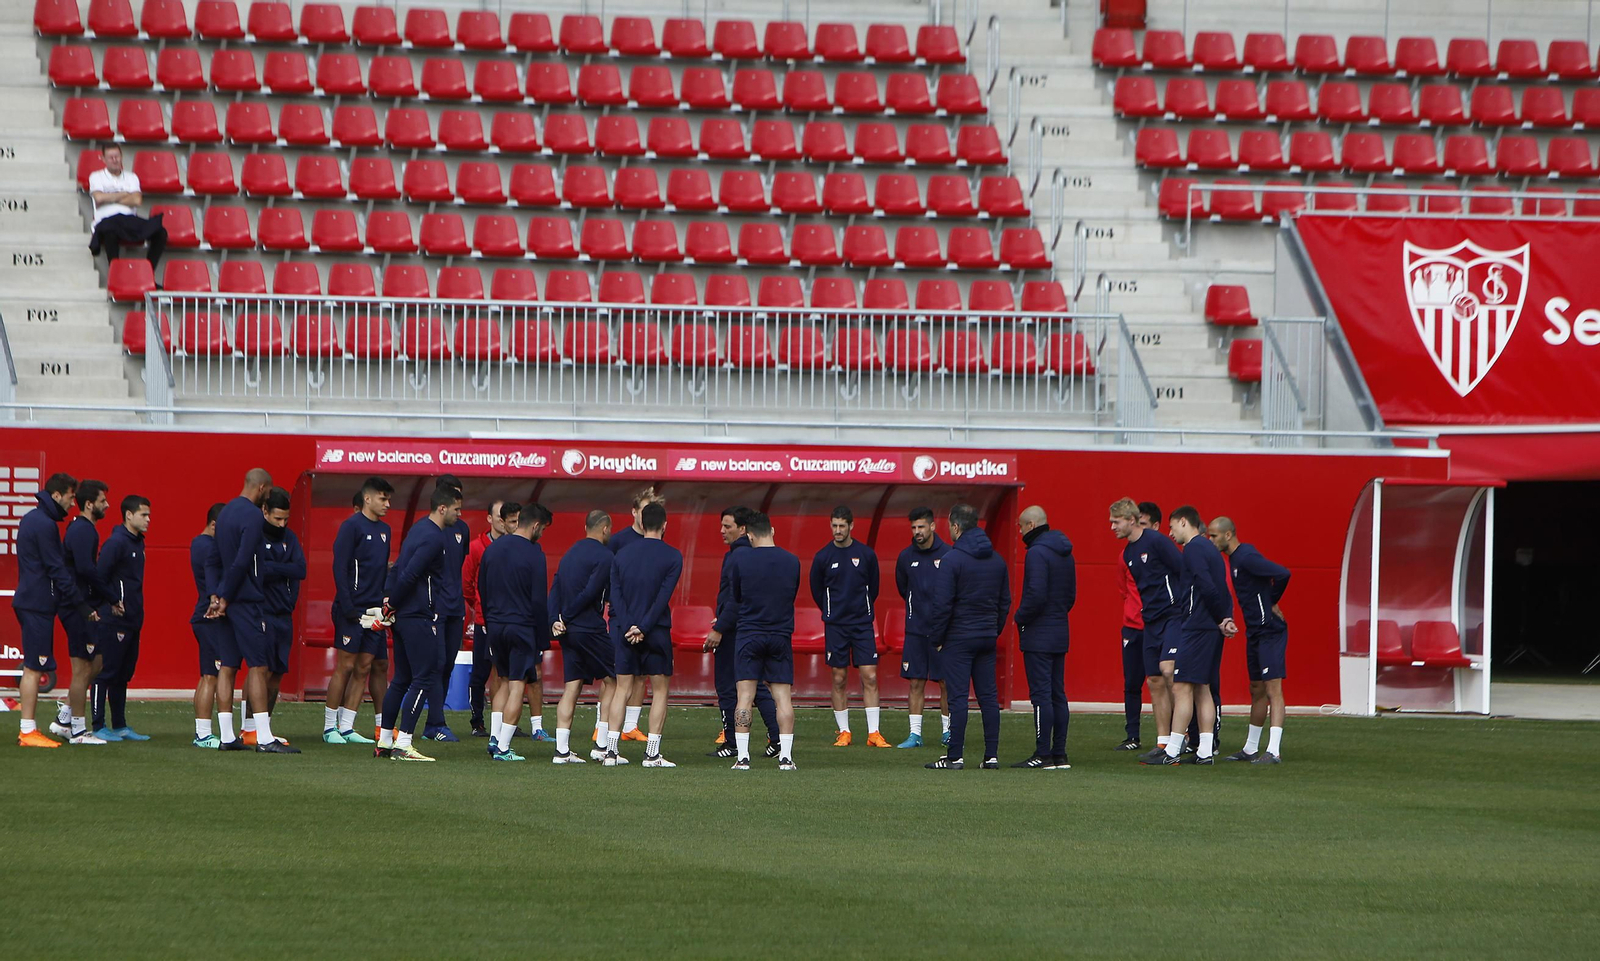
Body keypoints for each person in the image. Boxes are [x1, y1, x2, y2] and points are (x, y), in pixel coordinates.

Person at [211, 468, 297, 753]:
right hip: (245, 600)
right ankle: (263, 737)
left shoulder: (224, 514)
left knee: (228, 667)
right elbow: (243, 561)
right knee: (258, 667)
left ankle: (225, 736)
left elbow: (215, 559)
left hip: (227, 598)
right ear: (261, 488)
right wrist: (226, 596)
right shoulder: (251, 515)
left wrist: (217, 594)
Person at [376, 485, 461, 762]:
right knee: (425, 676)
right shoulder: (435, 538)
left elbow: (398, 567)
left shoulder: (417, 529)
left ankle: (385, 741)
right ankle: (404, 742)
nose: (459, 516)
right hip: (416, 616)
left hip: (402, 615)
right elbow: (410, 573)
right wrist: (393, 603)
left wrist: (389, 600)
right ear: (443, 508)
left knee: (401, 678)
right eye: (457, 510)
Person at [1147, 506, 1237, 765]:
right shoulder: (1211, 550)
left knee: (1182, 686)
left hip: (1197, 626)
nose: (1170, 532)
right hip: (1208, 627)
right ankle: (1205, 752)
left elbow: (1207, 586)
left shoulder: (1195, 548)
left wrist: (1221, 618)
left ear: (1184, 522)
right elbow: (1221, 587)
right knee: (1202, 688)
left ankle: (1172, 750)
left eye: (1172, 526)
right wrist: (1224, 618)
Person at [923, 504, 1009, 771]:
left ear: (956, 527)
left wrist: (937, 638)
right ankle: (991, 756)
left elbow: (943, 604)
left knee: (958, 698)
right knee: (988, 698)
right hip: (986, 636)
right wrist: (993, 630)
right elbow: (1004, 602)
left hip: (959, 638)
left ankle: (954, 756)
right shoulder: (997, 560)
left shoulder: (952, 559)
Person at [602, 502, 682, 768]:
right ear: (664, 525)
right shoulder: (673, 556)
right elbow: (662, 598)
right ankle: (652, 754)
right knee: (660, 691)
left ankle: (610, 751)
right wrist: (644, 627)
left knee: (621, 689)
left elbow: (616, 596)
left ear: (641, 522)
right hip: (656, 631)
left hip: (624, 631)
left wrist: (628, 626)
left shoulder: (620, 555)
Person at [719, 512, 799, 771]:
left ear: (749, 534)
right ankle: (785, 758)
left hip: (749, 634)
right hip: (780, 635)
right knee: (782, 698)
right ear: (772, 531)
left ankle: (742, 758)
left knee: (744, 696)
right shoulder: (792, 561)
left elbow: (737, 596)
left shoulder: (740, 560)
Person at [1208, 517, 1291, 765]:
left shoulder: (1246, 557)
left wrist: (1271, 601)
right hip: (1254, 631)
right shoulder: (1234, 559)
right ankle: (1250, 748)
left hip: (1270, 631)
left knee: (1273, 689)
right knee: (1256, 689)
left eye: (1214, 536)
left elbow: (1283, 573)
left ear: (1228, 534)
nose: (1211, 541)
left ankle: (1274, 751)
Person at [13, 473, 88, 748]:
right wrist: (79, 603)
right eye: (70, 496)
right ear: (57, 495)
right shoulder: (44, 524)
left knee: (35, 666)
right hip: (37, 604)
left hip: (34, 601)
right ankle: (27, 731)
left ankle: (28, 729)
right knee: (34, 668)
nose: (72, 502)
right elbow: (55, 568)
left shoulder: (35, 519)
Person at [809, 506, 890, 748]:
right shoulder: (823, 556)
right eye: (834, 525)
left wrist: (862, 607)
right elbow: (816, 589)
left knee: (870, 676)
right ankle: (844, 731)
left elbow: (873, 587)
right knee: (839, 677)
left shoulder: (865, 554)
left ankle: (873, 733)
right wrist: (831, 610)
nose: (838, 530)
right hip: (836, 625)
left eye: (842, 526)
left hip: (862, 624)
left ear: (851, 526)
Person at [1111, 497, 1184, 763]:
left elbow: (1182, 570)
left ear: (1131, 520)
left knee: (1169, 671)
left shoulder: (1157, 542)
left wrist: (1183, 605)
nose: (1112, 527)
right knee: (1153, 680)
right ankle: (1163, 742)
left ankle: (1182, 737)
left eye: (1116, 522)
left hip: (1172, 616)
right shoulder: (1128, 553)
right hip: (1149, 620)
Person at [703, 506, 780, 759]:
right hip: (752, 627)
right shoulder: (754, 555)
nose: (722, 531)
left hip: (734, 631)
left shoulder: (737, 556)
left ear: (743, 529)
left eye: (728, 526)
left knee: (727, 686)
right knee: (755, 686)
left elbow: (735, 599)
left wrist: (719, 627)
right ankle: (777, 736)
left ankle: (732, 742)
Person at [479, 503, 553, 761]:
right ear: (535, 525)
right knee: (518, 685)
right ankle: (503, 747)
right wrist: (543, 640)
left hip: (496, 625)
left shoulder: (493, 549)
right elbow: (538, 600)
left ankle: (494, 737)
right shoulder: (535, 553)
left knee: (503, 680)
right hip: (522, 626)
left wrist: (490, 620)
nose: (541, 534)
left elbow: (482, 587)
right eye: (542, 529)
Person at [324, 477, 393, 745]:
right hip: (351, 609)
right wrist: (348, 605)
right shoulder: (350, 527)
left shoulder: (385, 530)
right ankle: (330, 728)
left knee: (365, 666)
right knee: (346, 665)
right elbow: (339, 568)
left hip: (375, 610)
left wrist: (384, 604)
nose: (387, 504)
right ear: (367, 498)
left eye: (388, 499)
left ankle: (347, 727)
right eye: (383, 498)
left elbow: (381, 569)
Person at [547, 509, 616, 765]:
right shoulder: (605, 556)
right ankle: (602, 745)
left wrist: (555, 618)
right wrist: (567, 615)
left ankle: (561, 751)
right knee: (615, 680)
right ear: (605, 528)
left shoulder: (569, 554)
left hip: (568, 631)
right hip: (589, 627)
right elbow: (590, 593)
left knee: (571, 687)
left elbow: (555, 587)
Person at [1012, 505, 1075, 770]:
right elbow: (1071, 596)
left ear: (1031, 525)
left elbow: (1035, 595)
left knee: (1041, 696)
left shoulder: (1037, 553)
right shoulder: (1065, 553)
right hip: (1060, 629)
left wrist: (1020, 617)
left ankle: (1042, 754)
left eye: (1021, 526)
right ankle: (1059, 753)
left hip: (1038, 633)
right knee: (1057, 693)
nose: (1019, 531)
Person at [91, 494, 151, 742]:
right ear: (129, 515)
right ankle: (97, 725)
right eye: (143, 515)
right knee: (106, 672)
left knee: (123, 674)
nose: (148, 520)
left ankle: (120, 725)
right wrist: (114, 601)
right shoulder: (116, 543)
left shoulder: (138, 543)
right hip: (114, 620)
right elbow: (99, 577)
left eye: (149, 515)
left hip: (133, 620)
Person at [607, 486, 664, 743]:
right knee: (615, 677)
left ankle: (631, 726)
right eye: (643, 509)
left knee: (641, 676)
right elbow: (611, 583)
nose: (646, 515)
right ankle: (604, 726)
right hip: (623, 619)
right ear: (634, 512)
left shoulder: (661, 546)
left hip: (646, 622)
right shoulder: (619, 542)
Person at [61, 479, 113, 746]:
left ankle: (63, 719)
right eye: (103, 501)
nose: (107, 505)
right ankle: (79, 731)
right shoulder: (83, 530)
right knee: (82, 669)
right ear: (90, 504)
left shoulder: (85, 530)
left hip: (82, 605)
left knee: (97, 663)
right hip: (77, 607)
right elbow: (85, 570)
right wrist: (110, 595)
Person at [893, 507, 951, 749]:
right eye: (914, 528)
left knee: (945, 682)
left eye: (921, 527)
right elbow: (902, 588)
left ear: (932, 526)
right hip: (915, 630)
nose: (917, 532)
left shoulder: (948, 554)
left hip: (942, 631)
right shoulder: (906, 557)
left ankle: (949, 731)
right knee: (915, 681)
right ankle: (915, 734)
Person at [422, 475, 473, 743]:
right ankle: (434, 722)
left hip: (455, 606)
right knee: (435, 662)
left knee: (447, 665)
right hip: (434, 606)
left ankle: (434, 722)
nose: (457, 504)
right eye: (453, 496)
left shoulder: (461, 529)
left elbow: (458, 565)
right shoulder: (427, 528)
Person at [257, 488, 305, 744]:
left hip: (283, 613)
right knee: (259, 670)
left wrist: (276, 568)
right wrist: (282, 568)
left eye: (285, 519)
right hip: (261, 611)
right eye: (277, 519)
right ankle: (249, 726)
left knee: (276, 673)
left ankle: (266, 726)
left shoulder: (291, 538)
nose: (282, 524)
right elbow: (259, 571)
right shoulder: (255, 536)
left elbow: (301, 569)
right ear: (265, 512)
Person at [463, 499, 513, 738]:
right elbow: (467, 583)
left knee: (505, 672)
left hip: (508, 620)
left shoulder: (515, 546)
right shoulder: (476, 547)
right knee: (481, 671)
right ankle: (477, 721)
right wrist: (479, 605)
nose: (503, 522)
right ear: (490, 519)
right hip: (485, 620)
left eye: (507, 517)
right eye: (499, 516)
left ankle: (504, 721)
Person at [87, 144, 168, 271]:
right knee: (110, 231)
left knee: (160, 232)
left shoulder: (131, 177)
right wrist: (125, 194)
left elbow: (136, 200)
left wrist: (109, 197)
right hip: (106, 221)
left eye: (117, 156)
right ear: (103, 159)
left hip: (128, 221)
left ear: (121, 157)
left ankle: (148, 273)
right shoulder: (96, 176)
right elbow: (99, 198)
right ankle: (116, 274)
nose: (115, 160)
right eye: (110, 157)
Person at [189, 503, 227, 748]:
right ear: (214, 525)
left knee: (207, 676)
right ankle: (203, 734)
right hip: (209, 618)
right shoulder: (207, 546)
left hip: (205, 617)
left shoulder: (199, 543)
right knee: (211, 676)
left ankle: (202, 732)